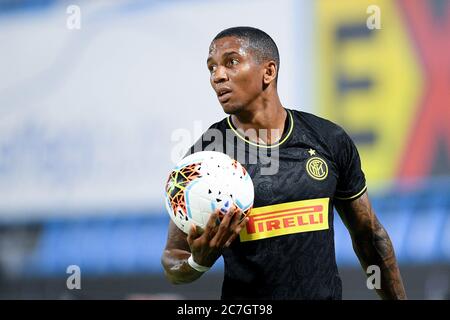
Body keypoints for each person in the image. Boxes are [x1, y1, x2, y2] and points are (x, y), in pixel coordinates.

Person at [161, 26, 406, 300]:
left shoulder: (328, 139)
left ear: (269, 71)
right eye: (211, 68)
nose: (218, 76)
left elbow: (368, 235)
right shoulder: (204, 160)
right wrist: (198, 262)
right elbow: (173, 260)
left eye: (231, 62)